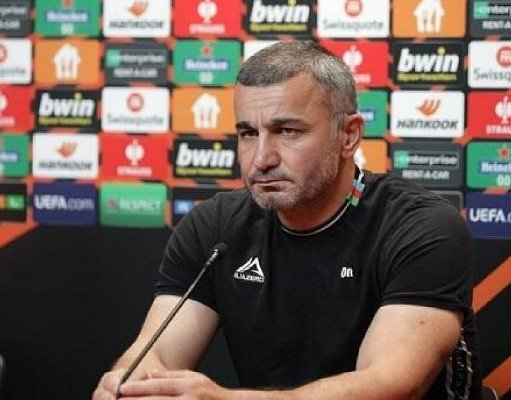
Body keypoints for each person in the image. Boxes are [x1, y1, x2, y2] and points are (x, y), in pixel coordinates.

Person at [93, 40, 481, 400]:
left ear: (348, 135)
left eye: (287, 131)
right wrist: (129, 381)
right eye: (248, 133)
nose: (262, 158)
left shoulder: (421, 227)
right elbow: (156, 352)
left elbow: (390, 384)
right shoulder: (214, 228)